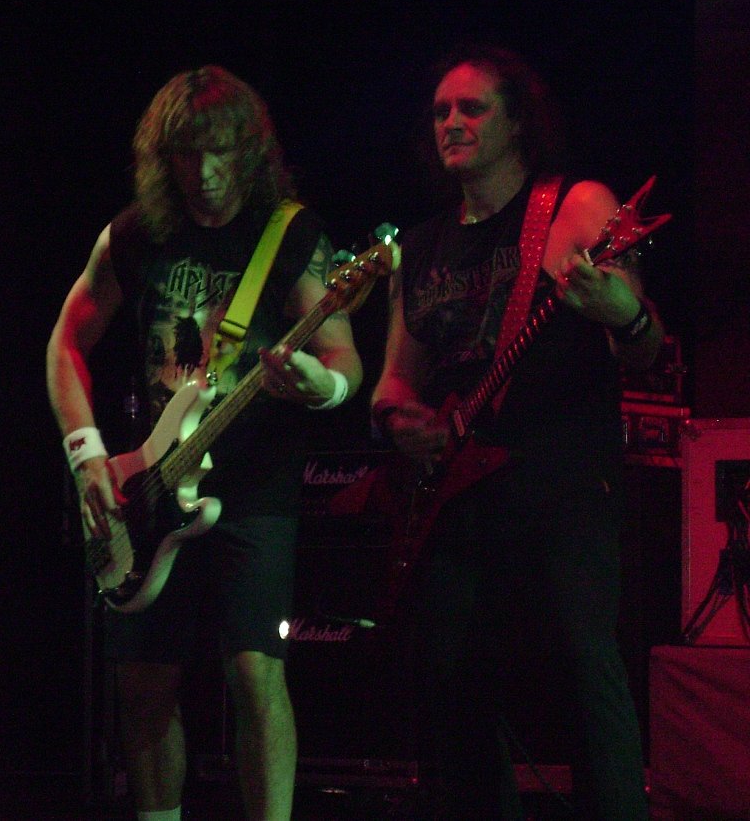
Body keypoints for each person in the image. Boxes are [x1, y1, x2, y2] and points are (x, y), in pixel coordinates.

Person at [46, 65, 363, 821]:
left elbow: (344, 357)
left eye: (222, 151)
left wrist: (323, 386)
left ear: (251, 151)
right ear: (165, 159)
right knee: (142, 683)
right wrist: (87, 455)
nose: (207, 172)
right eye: (189, 153)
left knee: (255, 672)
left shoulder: (292, 235)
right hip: (152, 486)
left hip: (254, 489)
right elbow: (65, 342)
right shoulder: (136, 234)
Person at [370, 45, 665, 819]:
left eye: (472, 108)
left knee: (583, 665)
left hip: (560, 482)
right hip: (453, 494)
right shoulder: (421, 246)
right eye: (441, 111)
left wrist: (623, 313)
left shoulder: (575, 207)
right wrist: (401, 420)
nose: (451, 122)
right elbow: (393, 379)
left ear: (518, 122)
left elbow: (645, 346)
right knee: (452, 679)